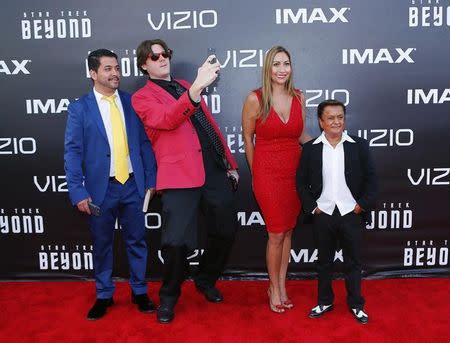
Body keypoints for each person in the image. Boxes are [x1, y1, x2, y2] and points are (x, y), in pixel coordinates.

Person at [132, 39, 238, 324]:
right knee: (176, 242)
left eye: (164, 53)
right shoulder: (142, 98)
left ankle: (205, 279)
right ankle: (169, 296)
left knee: (226, 229)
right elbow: (167, 119)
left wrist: (229, 162)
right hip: (178, 175)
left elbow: (208, 125)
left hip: (213, 170)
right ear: (144, 64)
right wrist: (196, 88)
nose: (161, 58)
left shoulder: (182, 84)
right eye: (153, 56)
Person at [64, 49, 157, 320]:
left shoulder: (131, 102)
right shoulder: (80, 109)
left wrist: (151, 179)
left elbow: (143, 144)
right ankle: (104, 295)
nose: (115, 73)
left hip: (132, 185)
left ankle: (139, 291)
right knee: (102, 243)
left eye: (116, 67)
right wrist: (77, 191)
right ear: (93, 73)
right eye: (107, 69)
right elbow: (72, 152)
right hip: (98, 190)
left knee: (137, 241)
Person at [242, 46, 311, 313]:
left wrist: (328, 144)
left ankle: (281, 285)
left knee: (288, 231)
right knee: (276, 233)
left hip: (295, 172)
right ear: (268, 68)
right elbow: (248, 138)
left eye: (286, 63)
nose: (282, 69)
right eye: (276, 64)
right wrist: (255, 171)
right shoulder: (255, 99)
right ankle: (273, 286)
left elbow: (301, 136)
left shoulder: (299, 97)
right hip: (267, 173)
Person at [297, 99, 377, 324]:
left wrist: (362, 205)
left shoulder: (358, 145)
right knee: (324, 262)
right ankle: (324, 301)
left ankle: (356, 304)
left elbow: (372, 179)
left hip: (352, 213)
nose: (336, 121)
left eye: (340, 117)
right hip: (323, 214)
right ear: (321, 122)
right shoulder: (311, 149)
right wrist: (312, 207)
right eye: (330, 118)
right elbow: (301, 182)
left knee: (353, 262)